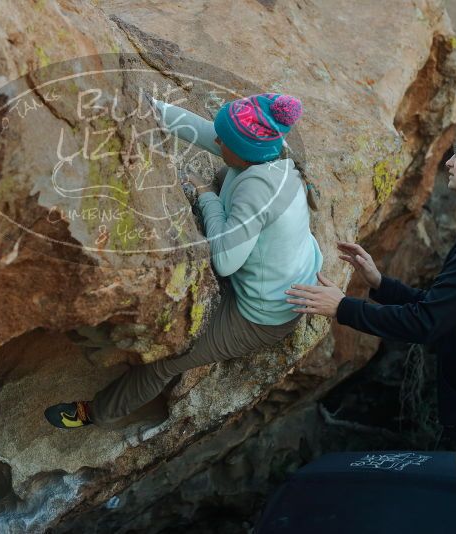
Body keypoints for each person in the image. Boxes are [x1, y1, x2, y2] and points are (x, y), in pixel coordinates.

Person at [285, 124, 456, 533]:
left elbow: (428, 323)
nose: (449, 162)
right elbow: (452, 309)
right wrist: (381, 285)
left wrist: (343, 308)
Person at [45, 92, 323, 429]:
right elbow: (203, 131)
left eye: (225, 139)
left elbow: (224, 262)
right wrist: (146, 105)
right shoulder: (267, 155)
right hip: (287, 272)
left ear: (245, 150)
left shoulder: (257, 191)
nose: (217, 139)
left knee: (167, 361)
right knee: (224, 173)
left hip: (265, 312)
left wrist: (206, 198)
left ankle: (96, 412)